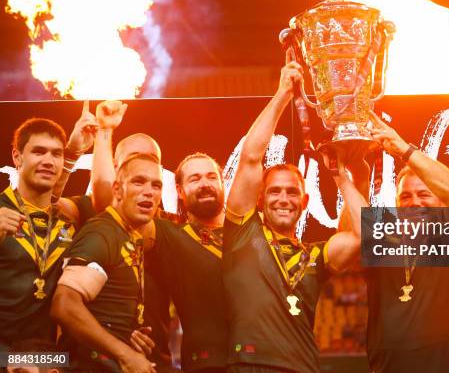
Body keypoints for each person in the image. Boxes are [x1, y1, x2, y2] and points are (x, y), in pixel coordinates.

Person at [223, 54, 367, 373]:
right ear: (260, 201)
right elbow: (250, 157)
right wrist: (283, 95)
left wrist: (340, 175)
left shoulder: (316, 256)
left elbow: (364, 234)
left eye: (291, 192)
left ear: (304, 202)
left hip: (304, 368)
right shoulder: (243, 234)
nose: (283, 199)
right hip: (249, 366)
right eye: (274, 191)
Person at [365, 111, 449, 373]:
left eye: (423, 194)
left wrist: (404, 150)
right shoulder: (386, 248)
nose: (415, 202)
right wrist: (348, 171)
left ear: (441, 201)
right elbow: (353, 232)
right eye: (405, 197)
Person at [51, 154, 163, 372]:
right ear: (118, 190)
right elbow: (64, 305)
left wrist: (123, 333)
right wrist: (125, 354)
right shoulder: (102, 233)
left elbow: (101, 310)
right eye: (138, 182)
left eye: (156, 185)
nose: (149, 191)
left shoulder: (127, 235)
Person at [0, 112, 95, 351]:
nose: (49, 161)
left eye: (56, 153)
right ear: (17, 157)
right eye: (38, 151)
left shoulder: (69, 219)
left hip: (50, 359)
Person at [152, 153, 228, 372]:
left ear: (223, 184)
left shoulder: (250, 230)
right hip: (205, 364)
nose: (205, 184)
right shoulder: (170, 232)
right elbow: (117, 207)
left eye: (211, 177)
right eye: (194, 179)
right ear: (179, 191)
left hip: (261, 361)